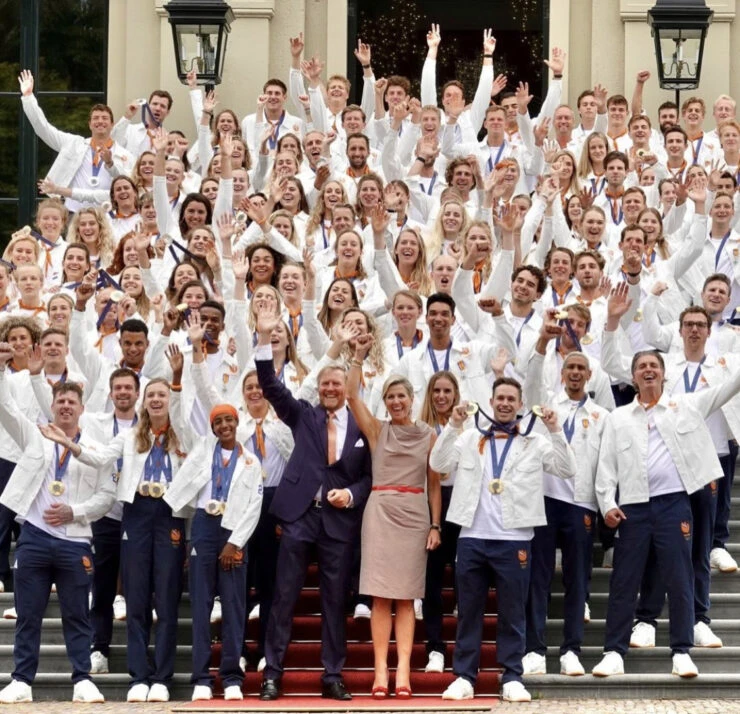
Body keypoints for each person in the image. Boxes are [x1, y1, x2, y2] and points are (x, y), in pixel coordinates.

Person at [591, 284, 740, 678]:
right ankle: (614, 653)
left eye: (654, 367)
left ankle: (680, 651)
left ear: (663, 373)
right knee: (624, 580)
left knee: (679, 574)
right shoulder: (618, 418)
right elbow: (605, 468)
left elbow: (732, 383)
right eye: (642, 368)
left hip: (675, 503)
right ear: (635, 377)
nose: (649, 371)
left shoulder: (686, 404)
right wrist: (607, 503)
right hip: (634, 507)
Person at [430, 377, 577, 702]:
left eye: (512, 399)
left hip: (515, 538)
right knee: (469, 610)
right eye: (501, 398)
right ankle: (464, 676)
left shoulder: (534, 442)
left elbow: (567, 469)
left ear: (520, 405)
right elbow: (437, 465)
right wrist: (453, 425)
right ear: (492, 402)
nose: (506, 403)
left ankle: (511, 675)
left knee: (513, 611)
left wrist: (555, 431)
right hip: (472, 537)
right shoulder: (468, 437)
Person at [253, 307, 372, 701]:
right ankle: (272, 672)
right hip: (300, 516)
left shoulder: (362, 425)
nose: (331, 390)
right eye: (325, 385)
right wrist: (264, 339)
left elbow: (370, 475)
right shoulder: (302, 414)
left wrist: (352, 494)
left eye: (337, 385)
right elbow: (270, 386)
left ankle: (332, 674)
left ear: (347, 388)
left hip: (339, 523)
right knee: (284, 596)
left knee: (335, 601)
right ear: (318, 389)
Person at [0, 343, 114, 704]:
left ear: (82, 409)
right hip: (33, 537)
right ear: (52, 406)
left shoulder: (95, 448)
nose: (65, 406)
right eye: (60, 402)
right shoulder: (35, 435)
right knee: (28, 615)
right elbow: (4, 408)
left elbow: (106, 496)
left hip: (75, 541)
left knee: (78, 615)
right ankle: (21, 681)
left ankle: (82, 679)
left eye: (72, 403)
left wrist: (75, 512)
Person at [346, 334, 441, 698]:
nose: (397, 401)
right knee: (381, 597)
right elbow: (353, 395)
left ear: (411, 399)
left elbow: (434, 485)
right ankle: (381, 670)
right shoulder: (376, 430)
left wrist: (435, 524)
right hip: (381, 511)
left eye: (402, 396)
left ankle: (403, 669)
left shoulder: (428, 434)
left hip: (415, 513)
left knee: (406, 597)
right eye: (391, 397)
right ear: (385, 402)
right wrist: (357, 355)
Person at [165, 401, 263, 702]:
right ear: (212, 427)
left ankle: (232, 676)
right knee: (201, 605)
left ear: (237, 423)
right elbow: (180, 423)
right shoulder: (202, 454)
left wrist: (235, 543)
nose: (224, 426)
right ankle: (202, 678)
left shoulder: (251, 462)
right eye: (217, 421)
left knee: (233, 605)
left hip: (233, 530)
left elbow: (254, 507)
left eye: (228, 420)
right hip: (205, 525)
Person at [18, 71, 133, 213]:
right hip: (74, 214)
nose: (100, 121)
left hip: (108, 216)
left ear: (112, 124)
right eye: (96, 118)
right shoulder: (73, 144)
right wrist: (28, 97)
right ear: (89, 124)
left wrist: (111, 163)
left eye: (104, 118)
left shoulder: (124, 154)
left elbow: (130, 185)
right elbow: (43, 129)